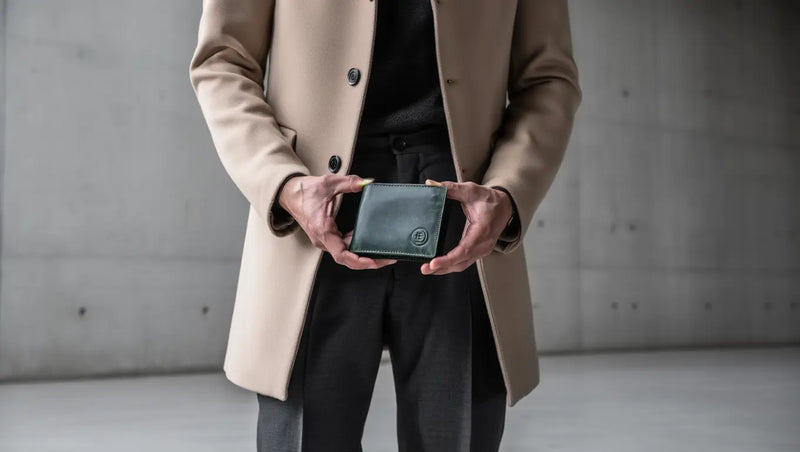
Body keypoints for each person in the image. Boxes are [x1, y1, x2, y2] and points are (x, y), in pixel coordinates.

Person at [188, 0, 581, 450]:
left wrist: (509, 191)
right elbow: (223, 60)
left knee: (457, 433)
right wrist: (283, 182)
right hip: (318, 204)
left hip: (463, 205)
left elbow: (548, 78)